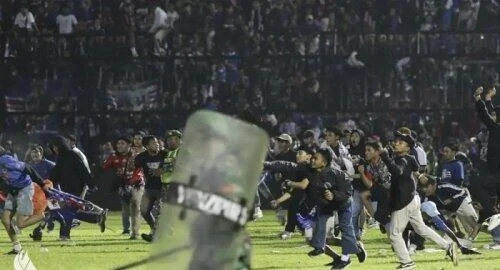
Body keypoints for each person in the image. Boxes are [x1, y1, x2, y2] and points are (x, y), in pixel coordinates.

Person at [381, 130, 457, 269]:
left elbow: (397, 171)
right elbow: (414, 169)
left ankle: (407, 262)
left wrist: (386, 157)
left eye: (401, 142)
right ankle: (447, 246)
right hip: (413, 198)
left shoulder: (403, 159)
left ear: (408, 147)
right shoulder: (408, 158)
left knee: (394, 234)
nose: (396, 143)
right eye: (396, 141)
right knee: (421, 228)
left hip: (405, 200)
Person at [0, 146, 48, 254]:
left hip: (24, 189)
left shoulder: (5, 161)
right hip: (13, 190)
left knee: (20, 224)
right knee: (5, 219)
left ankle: (42, 216)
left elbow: (27, 167)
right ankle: (17, 248)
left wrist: (42, 184)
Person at [102, 136, 144, 239]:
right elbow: (104, 167)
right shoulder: (114, 156)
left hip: (136, 184)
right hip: (123, 185)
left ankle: (136, 232)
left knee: (135, 207)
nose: (119, 146)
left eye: (122, 143)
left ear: (129, 145)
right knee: (125, 208)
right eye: (118, 144)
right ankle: (126, 229)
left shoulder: (136, 155)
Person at [135, 135, 167, 242]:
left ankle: (156, 234)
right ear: (147, 146)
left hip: (163, 187)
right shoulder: (141, 157)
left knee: (161, 212)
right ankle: (156, 231)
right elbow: (132, 166)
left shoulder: (165, 154)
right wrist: (133, 156)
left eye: (157, 142)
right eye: (153, 143)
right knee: (144, 211)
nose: (157, 144)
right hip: (149, 187)